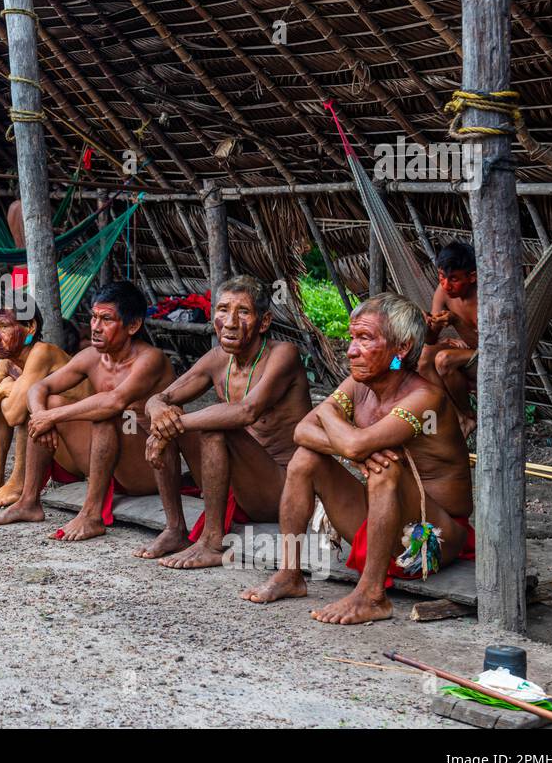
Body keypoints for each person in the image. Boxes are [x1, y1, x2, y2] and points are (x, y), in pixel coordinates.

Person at [240, 293, 473, 624]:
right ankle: (289, 575)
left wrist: (334, 419)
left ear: (401, 348)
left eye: (365, 339)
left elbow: (352, 442)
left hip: (435, 536)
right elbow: (302, 432)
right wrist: (348, 442)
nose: (350, 350)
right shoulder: (361, 382)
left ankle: (372, 595)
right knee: (307, 457)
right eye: (353, 338)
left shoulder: (426, 398)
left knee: (385, 468)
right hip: (385, 521)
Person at [0, 281, 181, 541]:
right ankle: (29, 502)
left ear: (133, 326)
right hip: (106, 461)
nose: (95, 327)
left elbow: (114, 402)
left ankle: (92, 514)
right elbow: (39, 388)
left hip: (148, 467)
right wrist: (42, 415)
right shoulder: (91, 356)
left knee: (105, 414)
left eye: (106, 319)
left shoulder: (151, 359)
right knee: (50, 403)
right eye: (94, 318)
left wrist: (51, 417)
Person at [143, 275, 312, 566]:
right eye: (223, 310)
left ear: (264, 321)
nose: (231, 322)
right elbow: (161, 398)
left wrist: (171, 425)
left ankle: (212, 541)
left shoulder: (283, 355)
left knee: (209, 427)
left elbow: (246, 411)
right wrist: (159, 413)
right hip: (235, 485)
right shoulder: (217, 358)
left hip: (281, 490)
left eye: (243, 312)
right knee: (169, 419)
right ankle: (175, 529)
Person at [0, 298, 88, 508]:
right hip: (55, 450)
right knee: (9, 395)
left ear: (30, 327)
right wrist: (1, 392)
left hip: (81, 455)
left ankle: (18, 483)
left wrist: (7, 389)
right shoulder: (7, 361)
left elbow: (14, 415)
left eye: (4, 326)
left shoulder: (42, 352)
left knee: (27, 405)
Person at [418, 241, 478, 432]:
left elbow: (489, 346)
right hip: (466, 350)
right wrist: (430, 324)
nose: (446, 285)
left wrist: (456, 322)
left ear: (472, 277)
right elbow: (430, 340)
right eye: (442, 277)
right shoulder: (442, 292)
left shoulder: (486, 296)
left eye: (453, 279)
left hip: (489, 355)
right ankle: (458, 417)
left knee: (444, 359)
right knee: (422, 358)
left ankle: (468, 414)